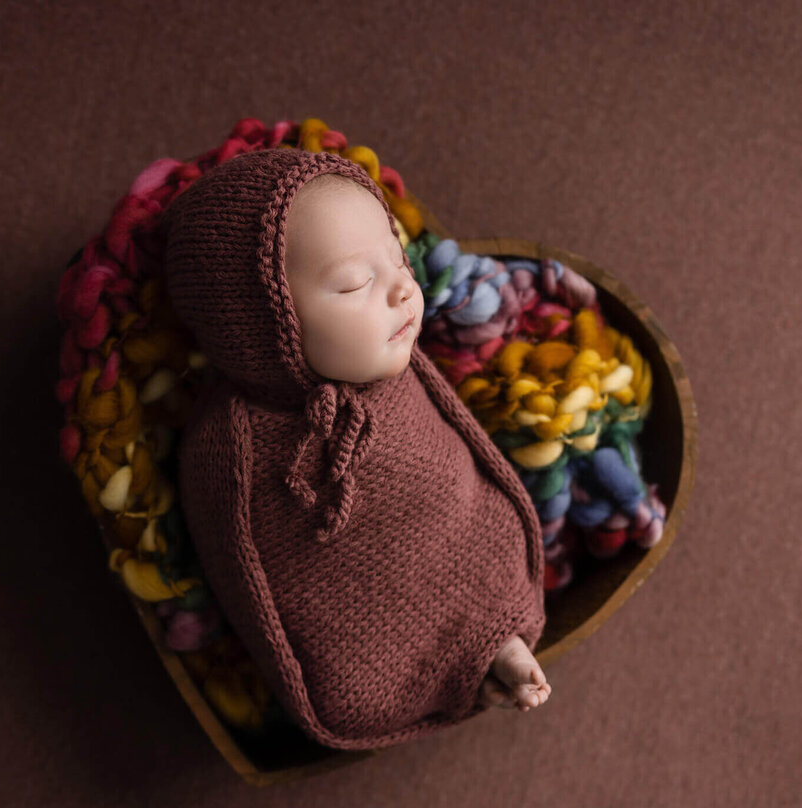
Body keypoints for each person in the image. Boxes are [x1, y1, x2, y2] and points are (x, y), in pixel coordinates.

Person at [166, 148, 550, 751]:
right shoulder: (232, 447)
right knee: (354, 679)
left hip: (461, 543)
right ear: (264, 322)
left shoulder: (394, 362)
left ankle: (499, 647)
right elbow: (250, 576)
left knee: (483, 544)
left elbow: (461, 454)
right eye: (353, 283)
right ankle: (459, 671)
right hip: (357, 632)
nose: (403, 289)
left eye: (396, 258)